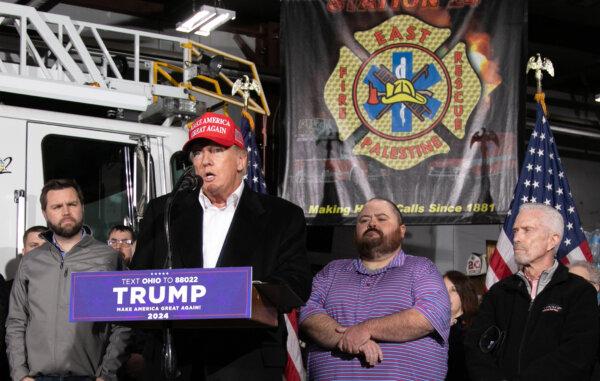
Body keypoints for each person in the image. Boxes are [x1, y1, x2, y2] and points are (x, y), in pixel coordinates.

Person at [131, 112, 312, 381]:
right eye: (197, 152)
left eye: (216, 150)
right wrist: (137, 349)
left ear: (241, 160)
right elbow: (140, 281)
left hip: (245, 361)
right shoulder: (164, 210)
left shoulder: (282, 217)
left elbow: (297, 283)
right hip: (175, 362)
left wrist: (239, 294)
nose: (205, 160)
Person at [299, 198, 450, 380]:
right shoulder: (332, 271)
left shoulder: (421, 268)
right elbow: (306, 311)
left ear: (401, 231)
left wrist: (365, 329)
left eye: (381, 218)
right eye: (364, 220)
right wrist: (347, 339)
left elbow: (428, 316)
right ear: (355, 233)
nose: (371, 223)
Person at [6, 179, 130, 381]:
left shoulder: (107, 258)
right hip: (37, 377)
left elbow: (123, 322)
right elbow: (16, 321)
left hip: (89, 377)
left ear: (82, 207)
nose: (65, 212)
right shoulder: (30, 262)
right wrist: (19, 373)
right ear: (45, 213)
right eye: (57, 206)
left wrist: (107, 373)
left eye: (72, 204)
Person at [465, 203, 599, 380]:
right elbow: (476, 348)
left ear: (553, 239)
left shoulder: (579, 292)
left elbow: (577, 354)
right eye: (516, 230)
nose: (517, 238)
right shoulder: (499, 293)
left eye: (527, 230)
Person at [443, 270, 479, 381]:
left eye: (453, 290)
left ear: (464, 293)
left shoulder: (473, 329)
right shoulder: (430, 326)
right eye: (443, 289)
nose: (446, 295)